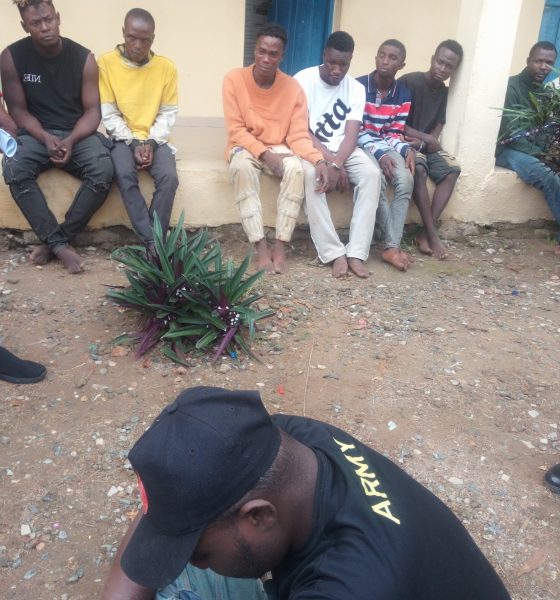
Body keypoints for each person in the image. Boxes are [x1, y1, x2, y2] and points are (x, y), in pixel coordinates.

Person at [103, 386, 512, 600]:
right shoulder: (291, 442)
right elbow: (176, 496)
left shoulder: (350, 586)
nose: (195, 561)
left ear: (259, 516)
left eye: (201, 553)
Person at [1, 0, 113, 273]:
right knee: (15, 166)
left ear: (58, 18)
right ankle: (61, 246)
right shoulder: (12, 57)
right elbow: (18, 110)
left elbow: (92, 112)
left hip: (77, 133)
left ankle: (55, 241)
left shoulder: (83, 58)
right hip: (35, 134)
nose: (45, 27)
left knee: (103, 169)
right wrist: (44, 137)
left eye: (49, 19)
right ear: (24, 26)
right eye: (36, 23)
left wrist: (71, 140)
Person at [222, 23, 328, 274]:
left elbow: (298, 136)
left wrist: (319, 160)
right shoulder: (234, 79)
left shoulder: (292, 88)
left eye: (273, 54)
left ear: (282, 56)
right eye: (262, 51)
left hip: (279, 147)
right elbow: (236, 130)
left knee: (297, 170)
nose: (266, 59)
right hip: (244, 145)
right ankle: (259, 246)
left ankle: (281, 246)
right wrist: (265, 154)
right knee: (241, 168)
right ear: (254, 50)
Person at [294, 32, 381, 279]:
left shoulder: (355, 89)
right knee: (311, 176)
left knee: (372, 174)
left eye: (343, 64)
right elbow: (303, 130)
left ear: (351, 60)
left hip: (344, 150)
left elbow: (352, 135)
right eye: (332, 62)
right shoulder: (302, 80)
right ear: (324, 55)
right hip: (312, 148)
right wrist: (330, 162)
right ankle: (333, 253)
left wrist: (337, 162)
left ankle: (357, 252)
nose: (336, 70)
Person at [98, 8, 179, 254]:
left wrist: (151, 143)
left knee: (169, 177)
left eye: (145, 40)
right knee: (124, 174)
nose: (137, 45)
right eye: (132, 37)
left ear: (153, 38)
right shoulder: (106, 63)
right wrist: (133, 143)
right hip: (122, 138)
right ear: (123, 32)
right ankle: (153, 242)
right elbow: (109, 113)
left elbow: (168, 113)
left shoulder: (166, 67)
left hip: (156, 138)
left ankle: (152, 241)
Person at [399, 40, 463, 259]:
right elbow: (398, 122)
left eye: (449, 66)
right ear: (432, 59)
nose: (442, 69)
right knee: (419, 169)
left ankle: (426, 232)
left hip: (426, 146)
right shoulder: (409, 82)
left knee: (452, 170)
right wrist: (425, 139)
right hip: (404, 143)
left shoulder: (444, 92)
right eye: (440, 62)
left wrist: (428, 142)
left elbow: (438, 125)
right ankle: (433, 236)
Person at [496, 41, 560, 254]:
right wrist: (541, 155)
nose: (543, 67)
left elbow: (545, 130)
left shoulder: (546, 94)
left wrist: (549, 152)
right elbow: (511, 134)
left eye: (549, 63)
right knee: (547, 175)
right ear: (528, 61)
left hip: (533, 151)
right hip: (507, 150)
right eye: (538, 61)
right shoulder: (511, 87)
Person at [357, 39, 415, 272]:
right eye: (382, 55)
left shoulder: (403, 94)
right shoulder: (358, 87)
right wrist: (380, 155)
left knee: (407, 178)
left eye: (392, 58)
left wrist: (406, 149)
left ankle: (390, 244)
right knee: (377, 180)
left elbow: (393, 132)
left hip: (385, 145)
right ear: (375, 57)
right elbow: (356, 131)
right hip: (361, 146)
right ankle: (392, 245)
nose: (385, 61)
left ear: (401, 65)